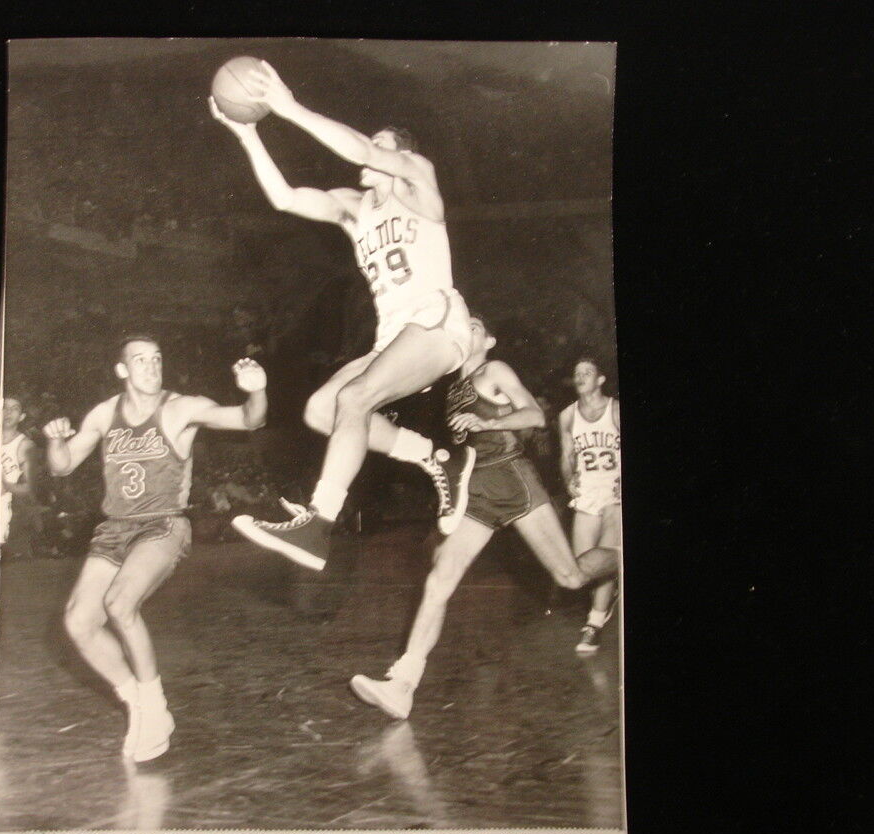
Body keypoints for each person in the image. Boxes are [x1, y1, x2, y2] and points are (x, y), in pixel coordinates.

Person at [211, 60, 476, 572]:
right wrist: (247, 134)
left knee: (355, 398)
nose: (367, 151)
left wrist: (289, 107)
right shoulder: (354, 208)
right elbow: (285, 198)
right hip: (394, 337)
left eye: (380, 145)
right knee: (321, 410)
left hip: (438, 321)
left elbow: (362, 149)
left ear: (403, 156)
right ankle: (437, 456)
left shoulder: (418, 181)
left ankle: (319, 522)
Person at [349, 317, 621, 719]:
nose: (466, 327)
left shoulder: (494, 370)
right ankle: (404, 683)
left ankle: (618, 554)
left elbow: (533, 416)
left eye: (474, 325)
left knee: (571, 577)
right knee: (440, 575)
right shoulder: (450, 383)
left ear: (489, 340)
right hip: (474, 487)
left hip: (511, 478)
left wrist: (489, 421)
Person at [44, 336, 268, 762]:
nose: (151, 367)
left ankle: (155, 705)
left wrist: (256, 390)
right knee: (78, 621)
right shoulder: (104, 413)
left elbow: (248, 420)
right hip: (114, 528)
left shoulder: (181, 407)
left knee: (120, 603)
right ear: (122, 370)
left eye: (157, 359)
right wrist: (55, 440)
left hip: (163, 525)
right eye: (140, 361)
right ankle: (137, 701)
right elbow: (63, 465)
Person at [560, 357, 622, 654]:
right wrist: (568, 479)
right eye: (577, 372)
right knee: (581, 569)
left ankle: (594, 624)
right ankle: (614, 585)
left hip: (614, 491)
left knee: (608, 554)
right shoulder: (567, 416)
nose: (581, 376)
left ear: (600, 380)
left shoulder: (616, 409)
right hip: (586, 492)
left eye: (587, 372)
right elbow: (567, 455)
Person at [0, 397, 35, 553]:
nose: (8, 412)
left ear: (22, 416)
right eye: (5, 407)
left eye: (15, 408)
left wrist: (5, 485)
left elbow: (28, 487)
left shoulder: (25, 445)